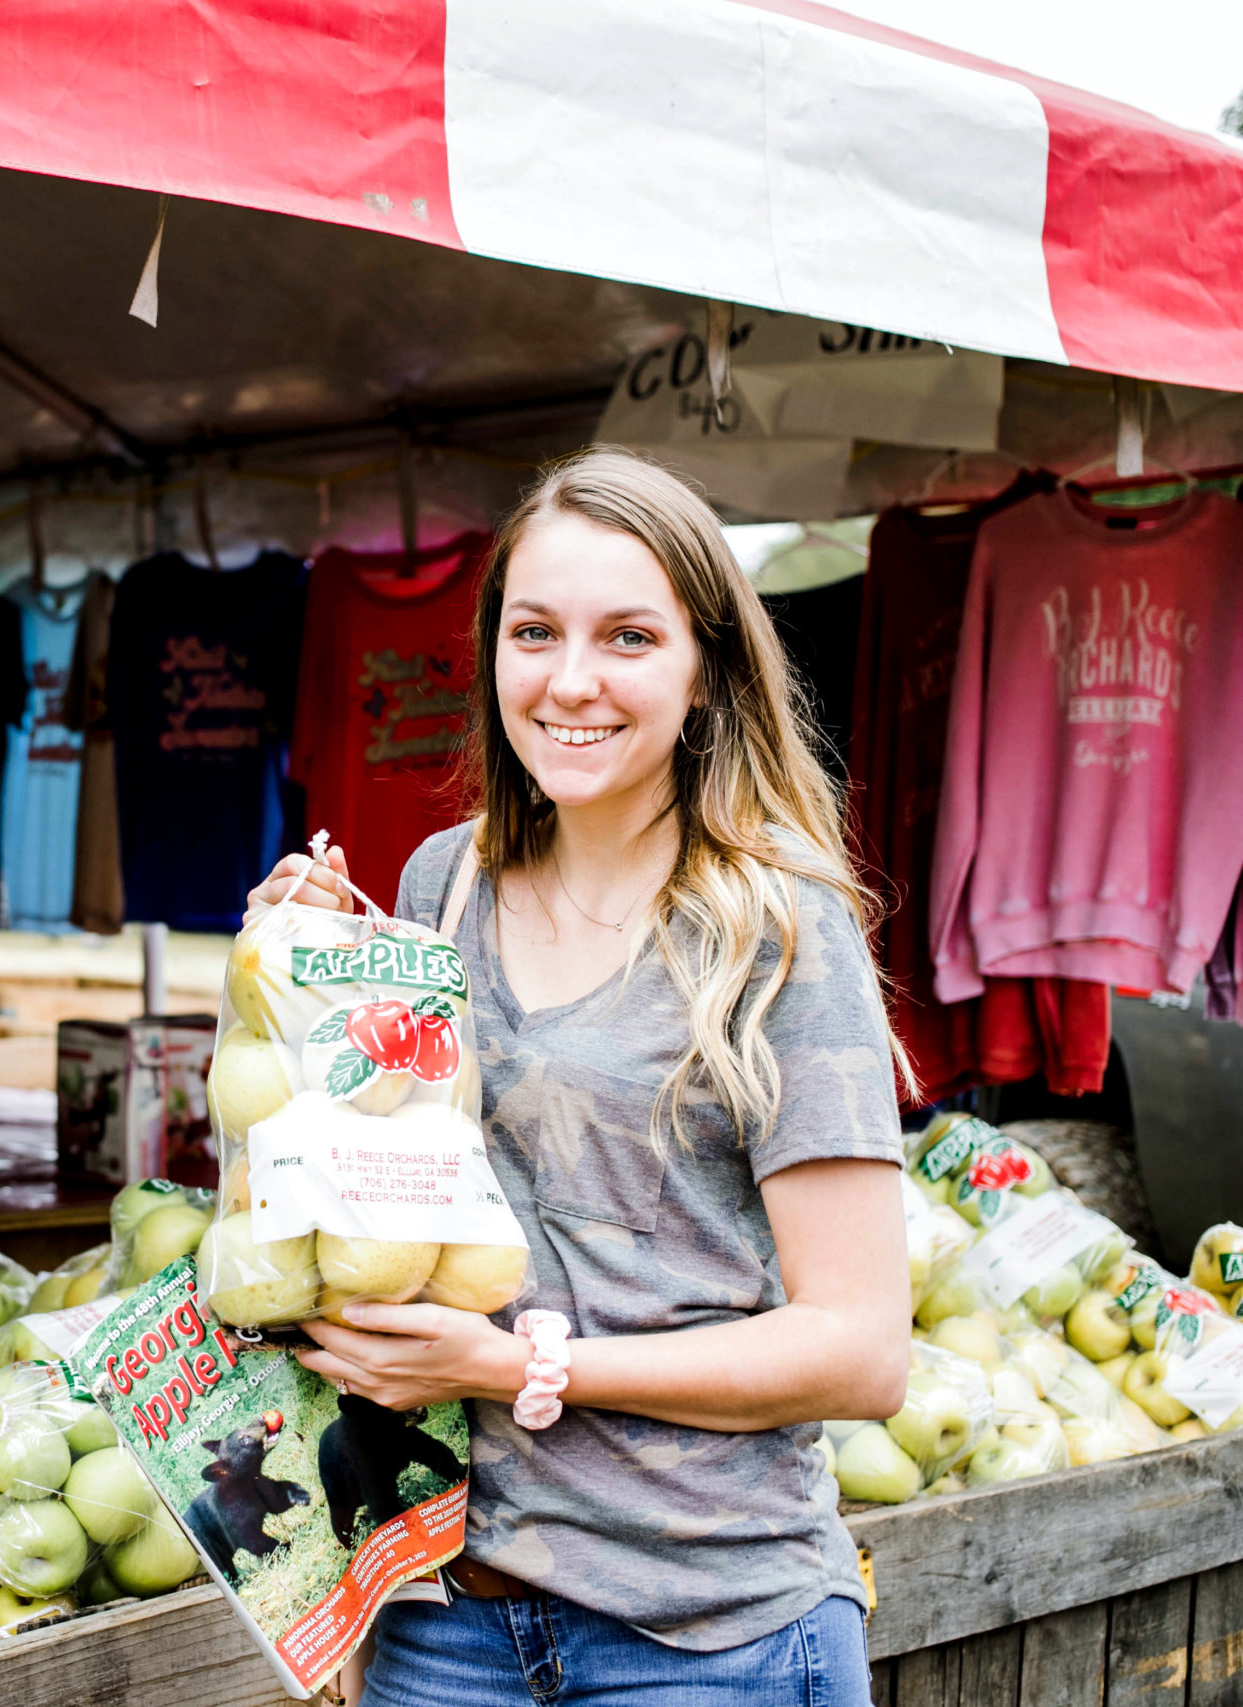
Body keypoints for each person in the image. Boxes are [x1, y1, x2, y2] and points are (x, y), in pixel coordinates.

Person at [249, 447, 910, 1704]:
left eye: (627, 639)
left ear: (705, 671)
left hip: (709, 1633)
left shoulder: (777, 932)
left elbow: (861, 1352)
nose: (569, 682)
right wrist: (294, 981)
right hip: (445, 1613)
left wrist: (517, 1369)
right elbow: (389, 1206)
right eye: (535, 631)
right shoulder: (440, 888)